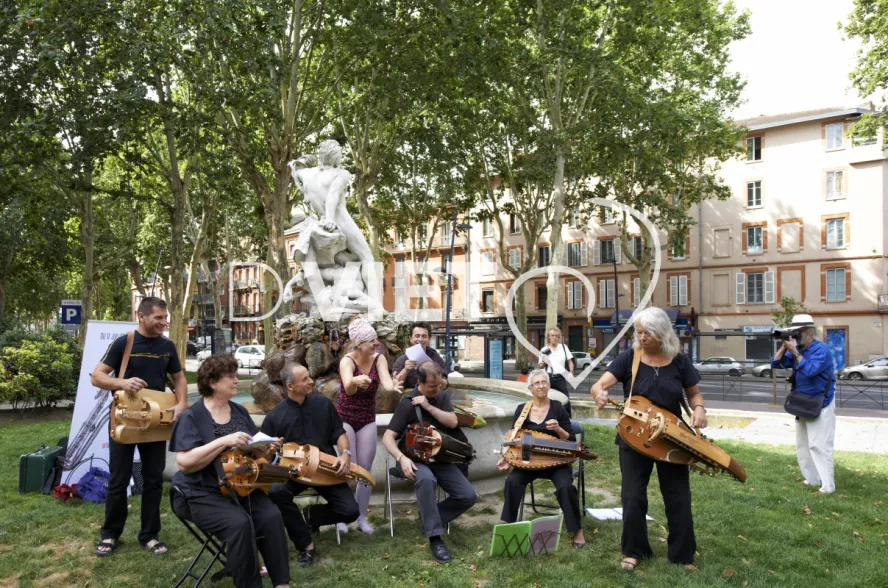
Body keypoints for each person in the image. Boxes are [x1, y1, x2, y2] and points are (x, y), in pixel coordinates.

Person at [590, 307, 706, 571]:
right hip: (633, 439)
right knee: (632, 496)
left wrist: (699, 409)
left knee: (678, 496)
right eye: (639, 332)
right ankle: (634, 550)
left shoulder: (679, 360)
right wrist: (597, 393)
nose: (641, 338)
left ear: (662, 333)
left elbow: (694, 395)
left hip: (671, 439)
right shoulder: (629, 357)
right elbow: (599, 385)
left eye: (647, 333)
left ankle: (682, 555)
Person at [168, 356, 290, 588]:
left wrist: (267, 449)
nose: (236, 380)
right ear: (213, 383)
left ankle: (282, 584)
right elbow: (184, 462)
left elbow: (251, 455)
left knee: (272, 517)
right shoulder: (192, 417)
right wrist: (223, 441)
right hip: (201, 493)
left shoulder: (239, 411)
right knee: (239, 525)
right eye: (231, 377)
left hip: (240, 486)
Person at [91, 296, 187, 557]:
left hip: (155, 421)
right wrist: (122, 383)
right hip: (124, 420)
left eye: (165, 318)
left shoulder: (167, 346)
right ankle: (110, 534)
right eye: (158, 318)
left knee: (154, 480)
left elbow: (179, 379)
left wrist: (181, 403)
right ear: (141, 316)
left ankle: (149, 534)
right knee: (119, 480)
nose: (164, 323)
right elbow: (97, 377)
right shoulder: (125, 342)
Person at [261, 363, 359, 567]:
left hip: (325, 467)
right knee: (277, 492)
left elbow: (339, 433)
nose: (311, 381)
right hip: (293, 472)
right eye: (304, 379)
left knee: (351, 511)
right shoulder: (274, 417)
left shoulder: (323, 404)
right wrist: (269, 452)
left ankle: (312, 515)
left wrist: (346, 454)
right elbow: (266, 456)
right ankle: (305, 545)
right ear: (290, 386)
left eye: (309, 377)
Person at [382, 362, 477, 563]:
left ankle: (429, 519)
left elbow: (452, 422)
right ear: (419, 383)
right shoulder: (406, 403)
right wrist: (402, 458)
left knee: (468, 496)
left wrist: (427, 405)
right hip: (414, 459)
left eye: (439, 384)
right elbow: (387, 438)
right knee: (426, 480)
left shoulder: (440, 396)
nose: (438, 389)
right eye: (432, 386)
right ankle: (435, 538)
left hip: (439, 459)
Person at [497, 369, 586, 548]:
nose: (541, 386)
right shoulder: (522, 410)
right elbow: (512, 439)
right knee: (513, 482)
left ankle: (577, 530)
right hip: (529, 461)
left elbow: (570, 440)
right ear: (530, 388)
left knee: (566, 487)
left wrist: (558, 429)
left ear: (549, 385)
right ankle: (510, 526)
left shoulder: (557, 408)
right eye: (537, 383)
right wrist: (507, 458)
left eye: (544, 382)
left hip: (556, 462)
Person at [336, 318, 401, 534]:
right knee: (348, 467)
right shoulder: (347, 361)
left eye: (375, 339)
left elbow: (387, 384)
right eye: (371, 340)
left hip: (367, 418)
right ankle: (343, 518)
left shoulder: (379, 358)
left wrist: (396, 383)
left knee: (364, 470)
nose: (376, 343)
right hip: (345, 417)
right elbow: (348, 388)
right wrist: (355, 381)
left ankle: (361, 519)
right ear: (359, 343)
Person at [771, 314, 836, 494]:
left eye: (798, 332)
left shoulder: (821, 350)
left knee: (819, 445)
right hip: (802, 402)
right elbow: (775, 364)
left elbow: (810, 371)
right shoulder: (797, 349)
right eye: (794, 333)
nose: (796, 336)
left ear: (809, 332)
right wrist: (784, 346)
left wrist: (795, 352)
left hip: (821, 402)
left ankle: (828, 486)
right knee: (803, 445)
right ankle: (812, 479)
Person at [393, 322, 448, 390]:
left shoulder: (435, 357)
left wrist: (439, 381)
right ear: (410, 338)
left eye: (424, 336)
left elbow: (445, 382)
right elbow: (396, 384)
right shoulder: (402, 359)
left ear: (429, 339)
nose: (420, 339)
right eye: (417, 336)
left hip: (433, 394)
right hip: (410, 396)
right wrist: (406, 370)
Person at [538, 327, 575, 416]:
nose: (554, 338)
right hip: (548, 377)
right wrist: (544, 362)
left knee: (565, 399)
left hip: (560, 377)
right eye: (552, 336)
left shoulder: (563, 347)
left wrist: (571, 371)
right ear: (548, 337)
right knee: (548, 399)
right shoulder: (544, 350)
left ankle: (567, 420)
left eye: (556, 336)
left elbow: (570, 361)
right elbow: (540, 366)